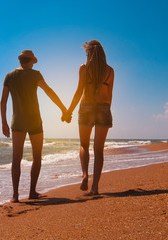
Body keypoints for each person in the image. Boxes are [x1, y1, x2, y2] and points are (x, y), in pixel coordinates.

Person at [0, 50, 67, 203]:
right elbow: (48, 91)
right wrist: (63, 109)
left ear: (20, 61)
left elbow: (3, 101)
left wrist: (3, 122)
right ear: (31, 61)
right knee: (37, 157)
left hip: (17, 122)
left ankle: (15, 195)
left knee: (16, 158)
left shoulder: (9, 76)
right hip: (34, 120)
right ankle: (31, 192)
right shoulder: (35, 74)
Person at [63, 40, 114, 195]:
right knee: (99, 150)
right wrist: (106, 111)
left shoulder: (84, 68)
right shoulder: (110, 71)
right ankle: (95, 187)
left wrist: (69, 111)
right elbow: (110, 95)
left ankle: (85, 175)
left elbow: (79, 92)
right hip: (104, 108)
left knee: (84, 145)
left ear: (89, 53)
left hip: (86, 107)